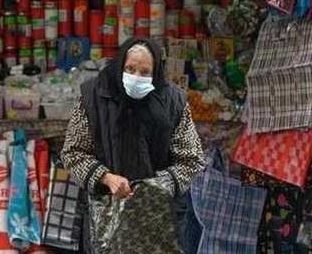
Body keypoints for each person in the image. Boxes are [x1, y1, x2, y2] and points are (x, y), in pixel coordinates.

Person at [60, 37, 206, 251]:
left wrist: (158, 186)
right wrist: (106, 178)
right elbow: (73, 152)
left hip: (159, 219)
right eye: (130, 69)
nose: (136, 77)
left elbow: (192, 159)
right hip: (108, 219)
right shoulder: (93, 96)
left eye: (145, 72)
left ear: (156, 73)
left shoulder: (173, 101)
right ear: (120, 65)